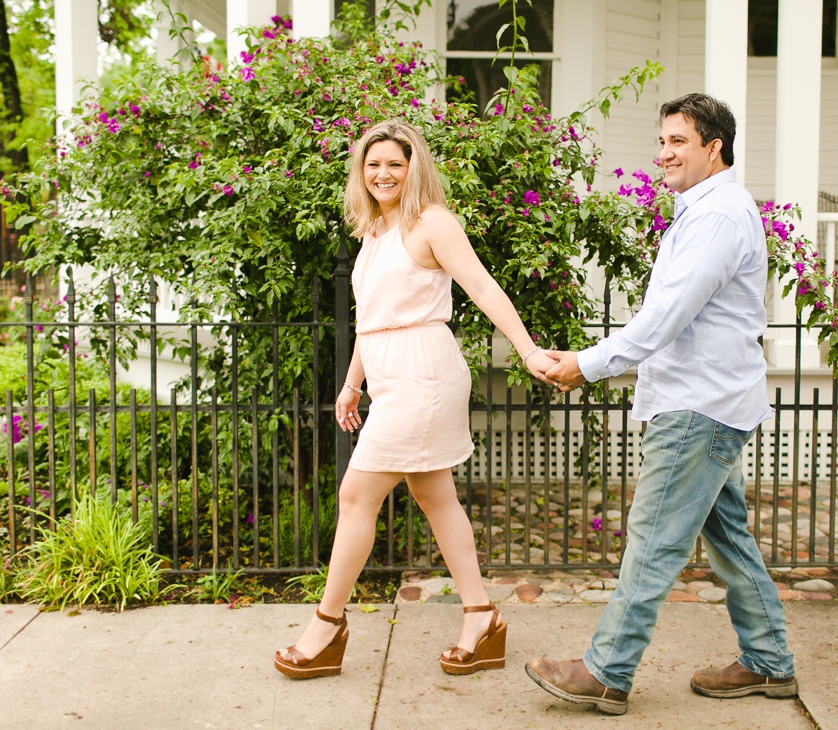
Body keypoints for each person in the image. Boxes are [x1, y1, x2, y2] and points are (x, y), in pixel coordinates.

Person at [524, 93, 797, 715]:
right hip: (712, 401)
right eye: (662, 140)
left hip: (698, 407)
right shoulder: (709, 210)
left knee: (652, 542)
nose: (663, 152)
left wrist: (585, 365)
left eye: (677, 141)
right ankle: (769, 663)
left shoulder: (717, 217)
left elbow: (666, 317)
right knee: (729, 538)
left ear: (713, 147)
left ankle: (607, 671)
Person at [275, 119, 556, 679]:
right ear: (362, 171)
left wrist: (526, 351)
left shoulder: (432, 223)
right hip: (388, 375)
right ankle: (481, 616)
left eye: (395, 164)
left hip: (424, 375)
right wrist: (353, 382)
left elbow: (482, 287)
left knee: (356, 495)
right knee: (436, 496)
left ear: (413, 168)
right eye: (373, 163)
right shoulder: (374, 230)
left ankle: (328, 625)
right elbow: (371, 321)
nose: (383, 173)